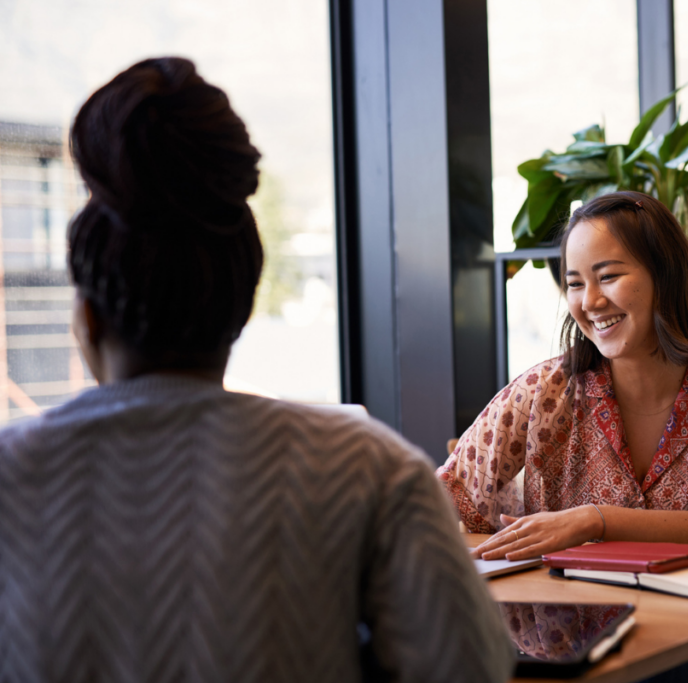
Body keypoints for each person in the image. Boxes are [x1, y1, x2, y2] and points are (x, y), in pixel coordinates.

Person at [0, 57, 513, 683]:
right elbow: (469, 669)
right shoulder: (368, 469)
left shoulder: (13, 474)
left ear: (87, 317)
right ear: (242, 303)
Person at [438, 190, 688, 681]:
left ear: (665, 277)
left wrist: (592, 520)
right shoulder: (542, 391)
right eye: (575, 283)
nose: (590, 302)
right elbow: (444, 498)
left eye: (609, 276)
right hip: (561, 648)